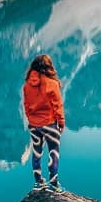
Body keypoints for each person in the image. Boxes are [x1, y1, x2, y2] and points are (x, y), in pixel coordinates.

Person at [22, 54, 66, 193]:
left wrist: (31, 119)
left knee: (36, 152)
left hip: (34, 125)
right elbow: (57, 105)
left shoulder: (27, 85)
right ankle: (54, 183)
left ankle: (38, 182)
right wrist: (61, 121)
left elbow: (26, 105)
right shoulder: (52, 84)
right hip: (50, 124)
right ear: (48, 67)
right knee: (53, 153)